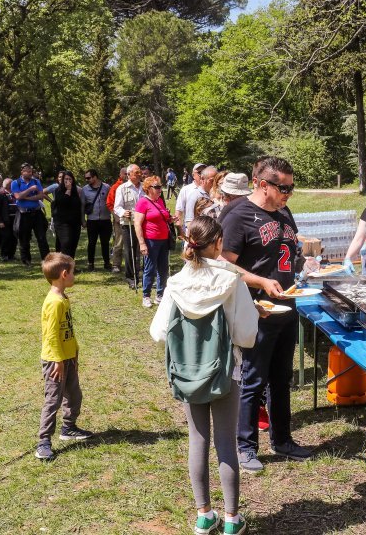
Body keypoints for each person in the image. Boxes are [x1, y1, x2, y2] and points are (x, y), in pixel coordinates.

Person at [150, 216, 261, 535]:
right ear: (218, 243)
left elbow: (158, 330)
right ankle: (231, 519)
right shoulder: (231, 280)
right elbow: (245, 335)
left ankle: (203, 515)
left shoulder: (175, 282)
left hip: (186, 372)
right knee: (226, 443)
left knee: (197, 440)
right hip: (225, 372)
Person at [220, 156, 312, 473]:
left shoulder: (285, 213)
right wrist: (260, 281)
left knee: (281, 378)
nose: (288, 193)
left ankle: (283, 440)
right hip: (257, 309)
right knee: (253, 379)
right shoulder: (238, 214)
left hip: (288, 307)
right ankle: (245, 447)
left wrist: (307, 263)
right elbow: (224, 264)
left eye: (291, 186)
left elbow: (292, 251)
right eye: (283, 187)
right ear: (262, 184)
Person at [35, 252, 94, 461]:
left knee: (74, 395)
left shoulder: (63, 298)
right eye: (73, 272)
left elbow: (66, 330)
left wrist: (74, 353)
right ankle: (43, 441)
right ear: (63, 274)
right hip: (55, 360)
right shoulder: (54, 303)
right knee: (53, 400)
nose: (74, 275)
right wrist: (58, 361)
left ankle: (68, 428)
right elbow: (50, 336)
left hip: (68, 357)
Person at [134, 175, 173, 308]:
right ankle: (146, 295)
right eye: (156, 187)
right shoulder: (142, 202)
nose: (160, 189)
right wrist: (142, 243)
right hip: (150, 240)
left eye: (160, 186)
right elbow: (137, 224)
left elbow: (163, 217)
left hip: (163, 239)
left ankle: (160, 295)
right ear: (148, 188)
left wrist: (171, 219)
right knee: (150, 268)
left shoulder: (160, 201)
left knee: (163, 269)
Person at [11, 163, 50, 267]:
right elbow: (18, 196)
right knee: (24, 238)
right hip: (23, 213)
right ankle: (26, 260)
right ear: (22, 172)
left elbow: (41, 196)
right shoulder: (16, 183)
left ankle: (46, 260)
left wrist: (27, 197)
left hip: (36, 212)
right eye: (26, 171)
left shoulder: (36, 181)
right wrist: (31, 189)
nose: (29, 173)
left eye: (30, 171)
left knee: (42, 237)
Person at [114, 164, 143, 289]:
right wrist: (122, 212)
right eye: (136, 172)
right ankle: (131, 277)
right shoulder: (122, 188)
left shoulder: (145, 187)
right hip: (129, 223)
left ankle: (143, 274)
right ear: (129, 174)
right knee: (130, 250)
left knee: (142, 249)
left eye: (140, 172)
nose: (139, 174)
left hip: (143, 223)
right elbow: (117, 207)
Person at [82, 169, 112, 271]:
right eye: (85, 178)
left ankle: (107, 263)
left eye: (88, 178)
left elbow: (111, 201)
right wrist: (83, 220)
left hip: (105, 220)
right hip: (92, 220)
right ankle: (90, 263)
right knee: (91, 243)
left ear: (95, 177)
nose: (86, 180)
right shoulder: (84, 189)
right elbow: (82, 205)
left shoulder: (107, 187)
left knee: (105, 243)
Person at [51, 171, 83, 260]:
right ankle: (64, 264)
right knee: (66, 243)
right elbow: (63, 203)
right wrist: (68, 190)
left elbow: (77, 205)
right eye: (66, 179)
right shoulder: (58, 190)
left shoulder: (75, 191)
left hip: (75, 222)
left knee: (73, 243)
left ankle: (70, 264)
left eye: (70, 179)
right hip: (62, 222)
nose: (67, 181)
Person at [106, 167, 128, 274]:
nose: (126, 176)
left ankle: (133, 263)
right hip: (119, 219)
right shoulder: (116, 187)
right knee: (119, 242)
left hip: (132, 219)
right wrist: (116, 216)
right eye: (125, 174)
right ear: (121, 174)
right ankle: (116, 264)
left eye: (128, 174)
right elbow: (110, 203)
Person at [184, 166, 218, 233]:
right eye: (212, 181)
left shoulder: (216, 195)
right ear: (202, 179)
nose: (215, 184)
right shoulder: (194, 196)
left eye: (216, 181)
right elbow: (189, 223)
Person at [0, 178, 18, 261]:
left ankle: (11, 255)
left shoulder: (15, 194)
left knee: (14, 238)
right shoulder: (0, 195)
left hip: (15, 219)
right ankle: (4, 255)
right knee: (6, 237)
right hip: (5, 220)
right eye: (11, 184)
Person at [176, 163, 207, 230]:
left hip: (207, 231)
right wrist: (179, 230)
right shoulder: (186, 189)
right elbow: (179, 211)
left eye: (204, 172)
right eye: (199, 172)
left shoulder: (210, 190)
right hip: (190, 229)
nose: (202, 175)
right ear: (193, 175)